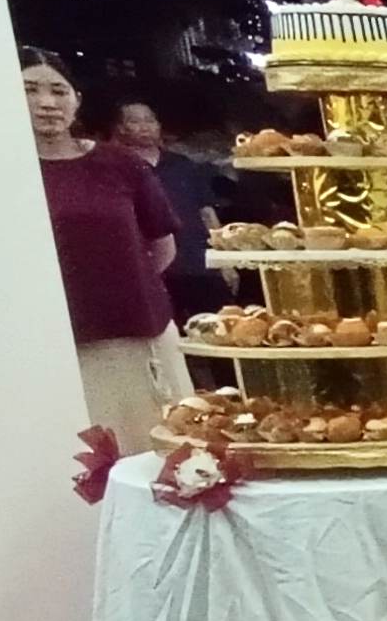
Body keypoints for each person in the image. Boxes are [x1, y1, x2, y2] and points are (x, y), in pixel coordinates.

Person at [23, 50, 190, 450]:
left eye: (58, 90)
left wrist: (130, 285)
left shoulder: (119, 164)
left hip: (140, 337)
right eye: (30, 90)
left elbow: (162, 245)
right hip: (61, 344)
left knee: (168, 454)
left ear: (76, 99)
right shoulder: (0, 169)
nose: (47, 102)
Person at [110, 99, 231, 324]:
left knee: (222, 331)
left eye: (150, 120)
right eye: (135, 121)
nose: (145, 126)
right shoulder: (116, 168)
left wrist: (226, 260)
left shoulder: (182, 164)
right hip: (155, 271)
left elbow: (206, 213)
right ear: (120, 128)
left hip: (200, 265)